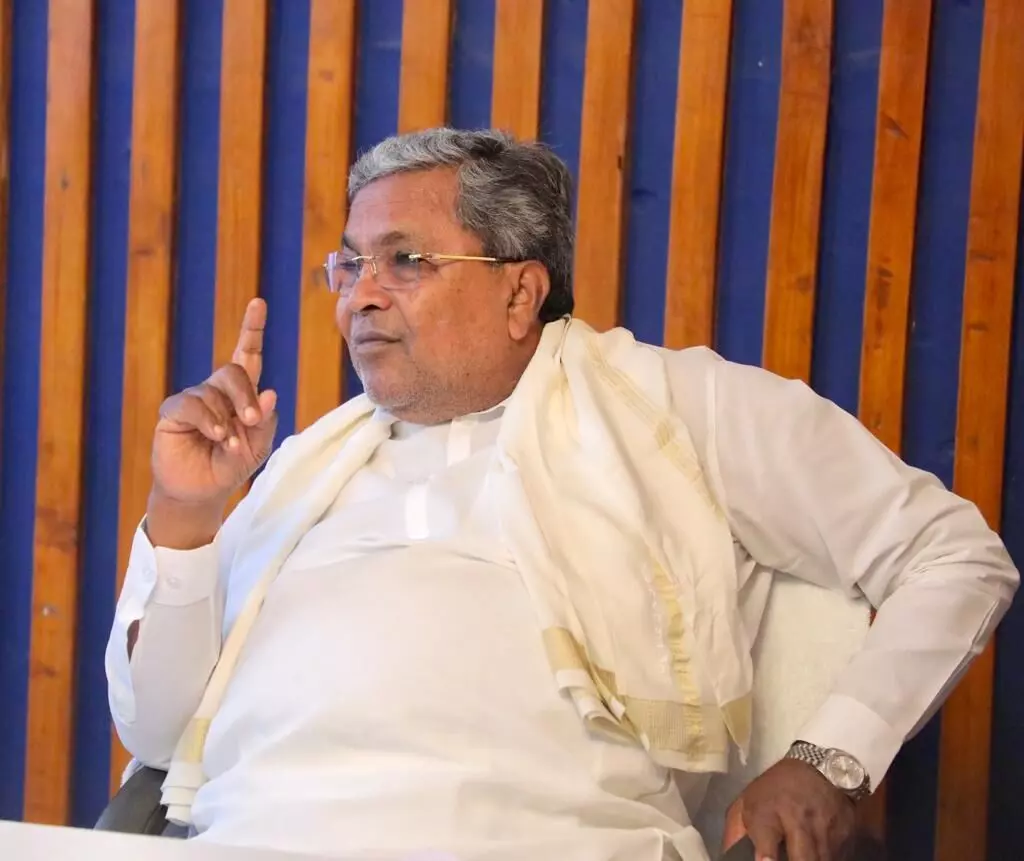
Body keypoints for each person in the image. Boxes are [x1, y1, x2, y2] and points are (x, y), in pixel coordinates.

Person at [106, 128, 1017, 861]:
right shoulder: (304, 470)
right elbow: (155, 730)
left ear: (521, 293)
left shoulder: (674, 408)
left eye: (404, 260)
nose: (360, 298)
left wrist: (829, 760)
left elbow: (953, 556)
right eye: (350, 265)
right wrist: (185, 514)